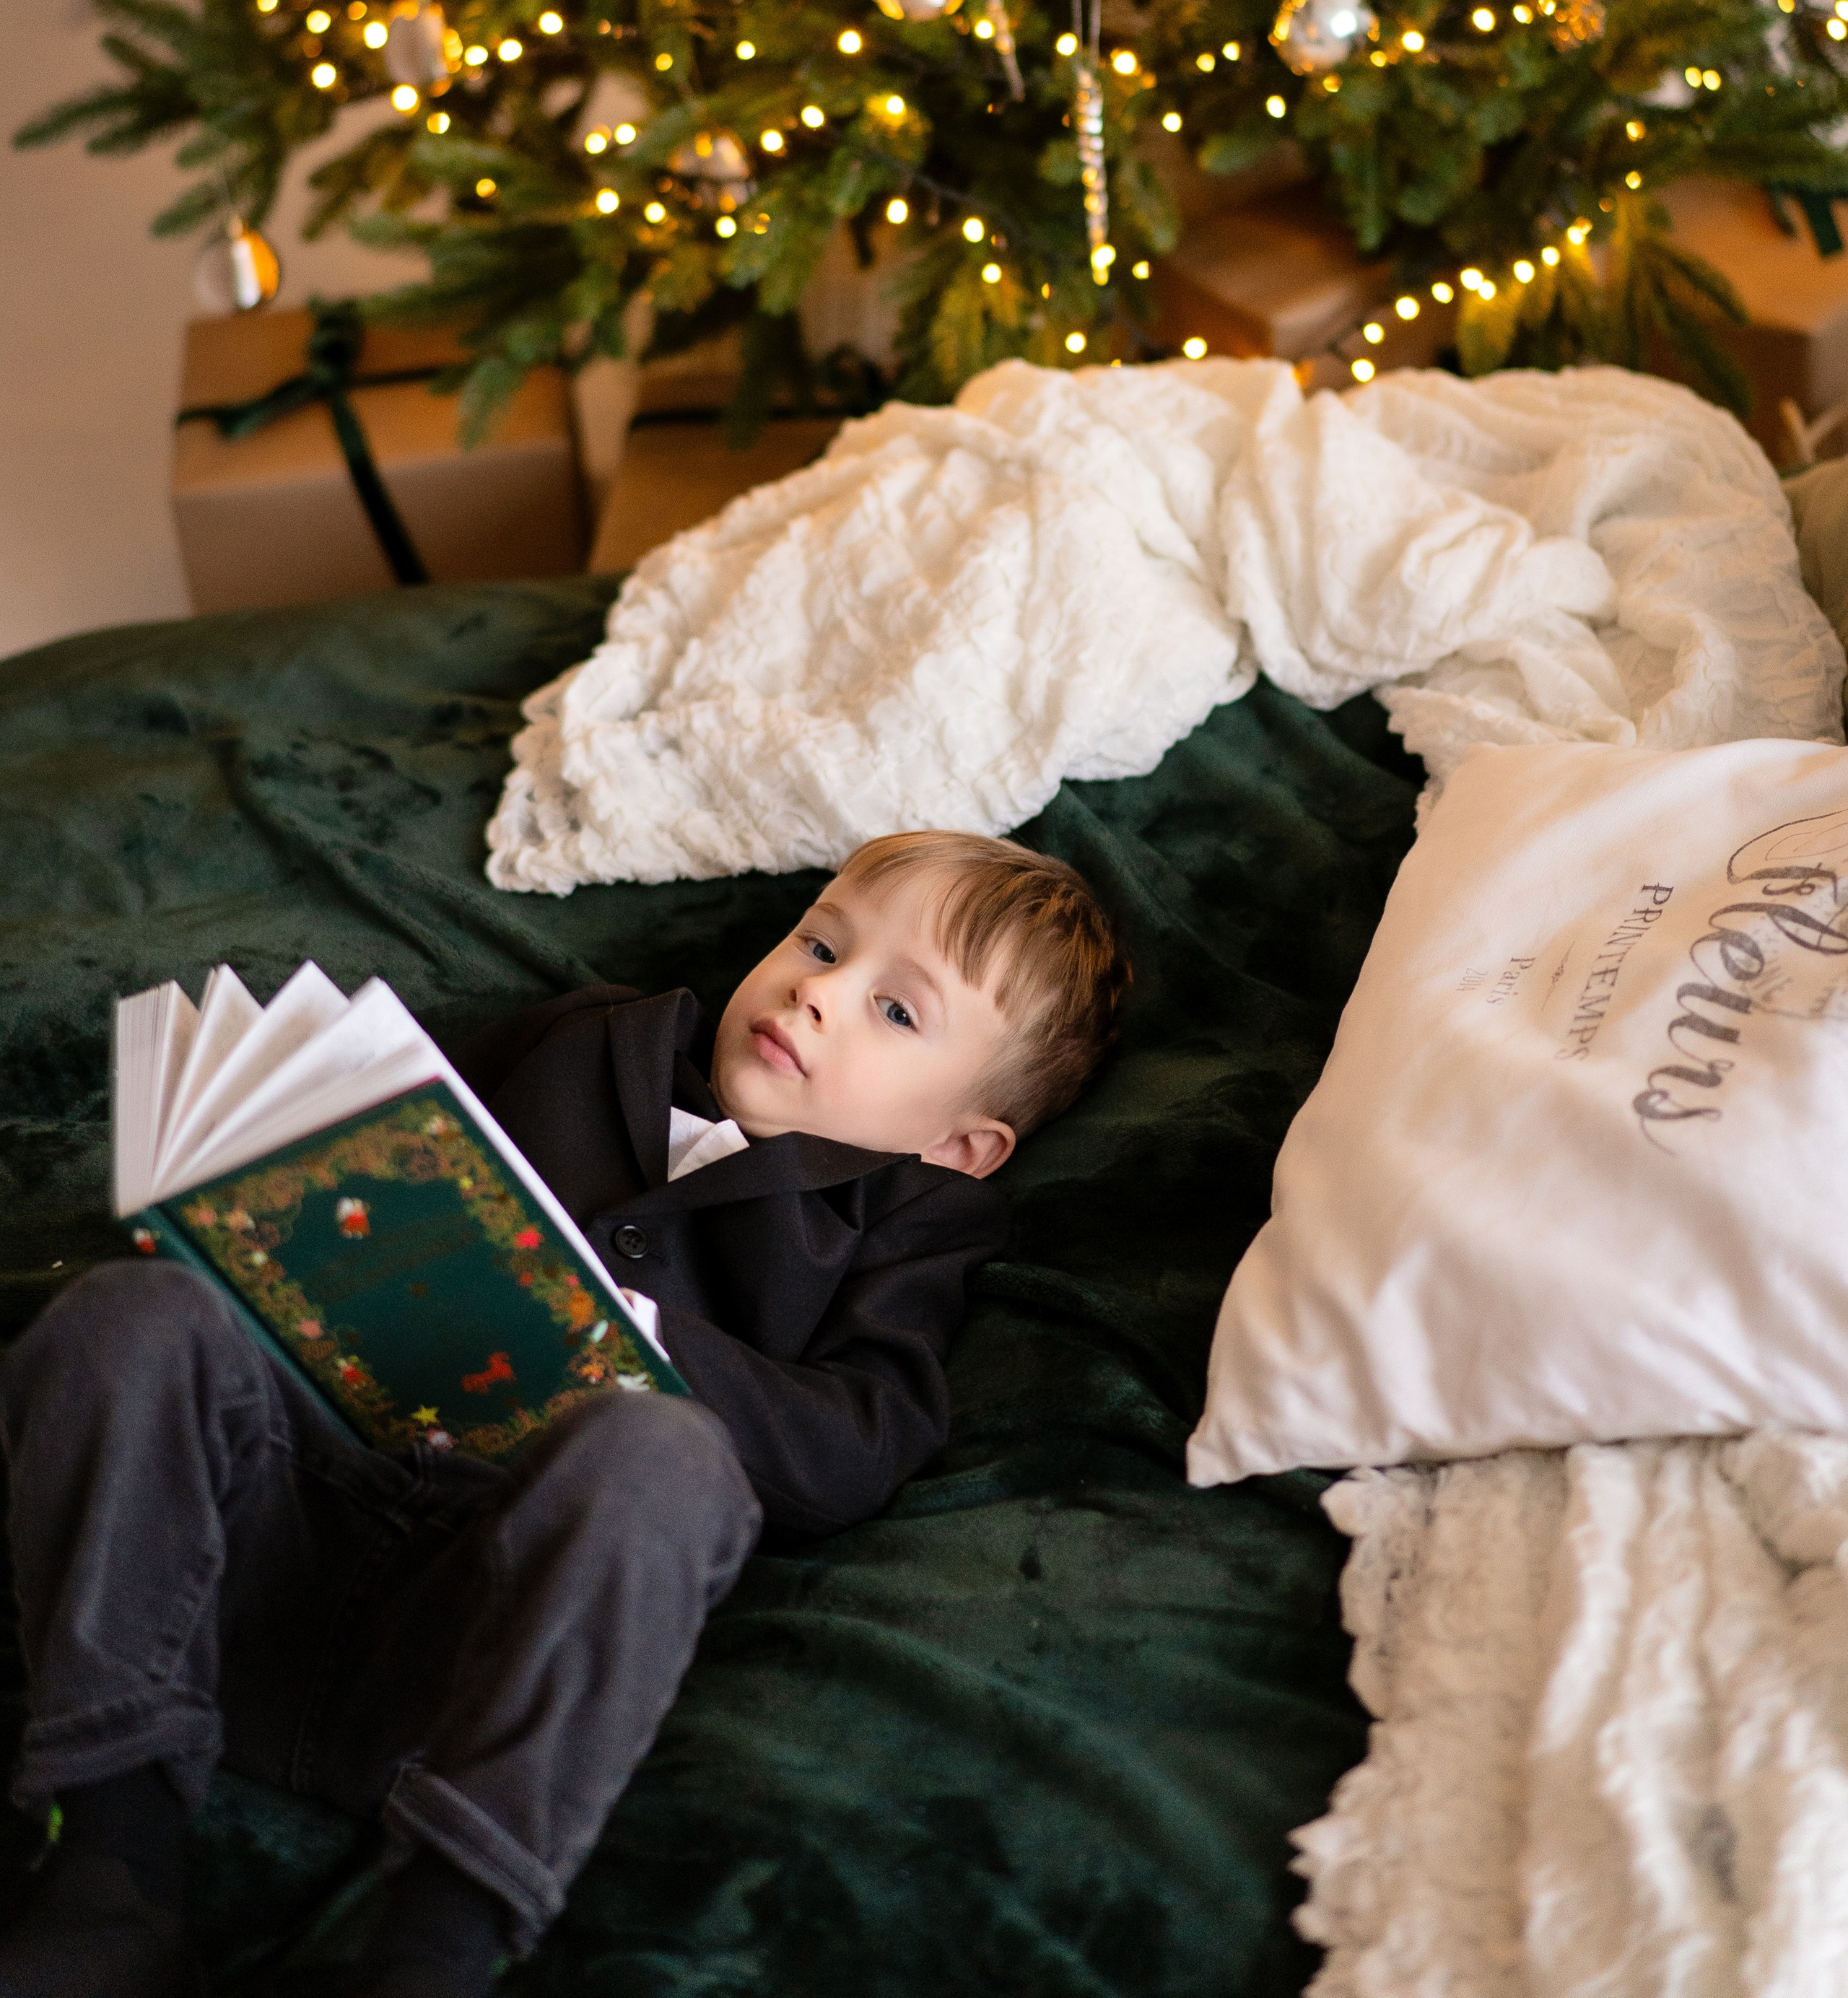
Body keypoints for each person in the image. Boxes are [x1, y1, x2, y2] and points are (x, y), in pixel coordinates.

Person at [0, 831, 1127, 1998]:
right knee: (132, 1315)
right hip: (247, 1548)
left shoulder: (912, 1224)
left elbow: (858, 1448)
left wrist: (630, 1330)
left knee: (663, 1458)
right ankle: (109, 1866)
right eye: (821, 941)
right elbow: (377, 1147)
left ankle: (434, 1943)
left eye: (897, 1012)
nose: (819, 990)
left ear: (960, 1146)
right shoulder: (588, 1034)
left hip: (482, 1641)